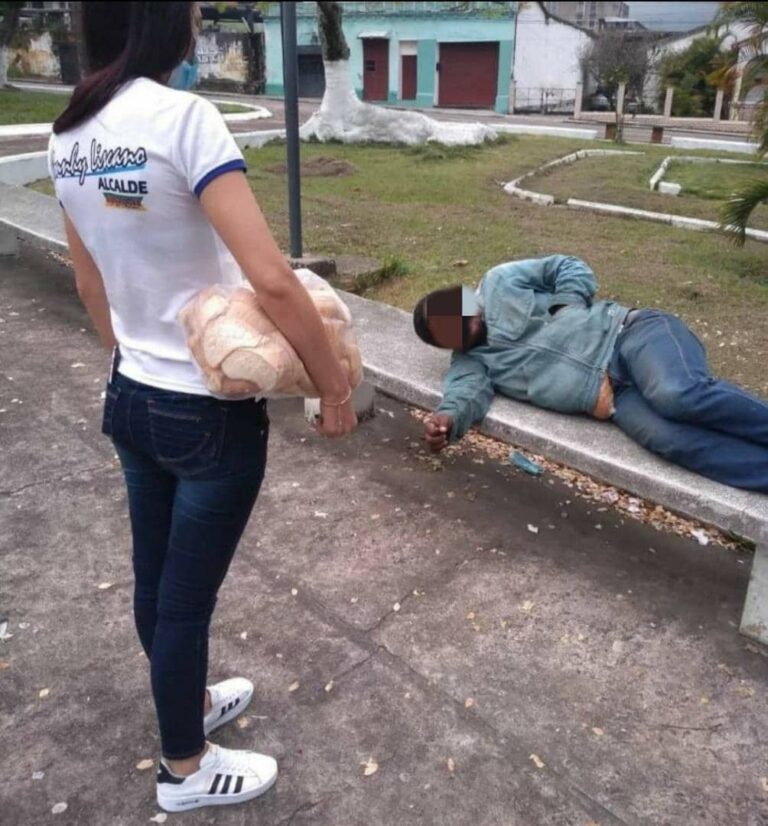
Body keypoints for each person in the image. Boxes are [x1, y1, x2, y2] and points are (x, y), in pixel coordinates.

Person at [50, 2, 357, 813]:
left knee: (156, 583)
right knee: (184, 602)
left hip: (131, 394)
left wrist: (133, 358)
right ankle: (184, 769)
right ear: (161, 24)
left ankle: (183, 703)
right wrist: (333, 385)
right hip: (206, 414)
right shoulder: (185, 119)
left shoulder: (67, 134)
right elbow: (272, 280)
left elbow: (88, 282)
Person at [412, 255, 768, 493]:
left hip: (630, 334)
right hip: (615, 398)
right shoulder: (471, 362)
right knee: (673, 441)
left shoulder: (499, 282)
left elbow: (567, 266)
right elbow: (463, 394)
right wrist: (447, 420)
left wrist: (567, 302)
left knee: (676, 394)